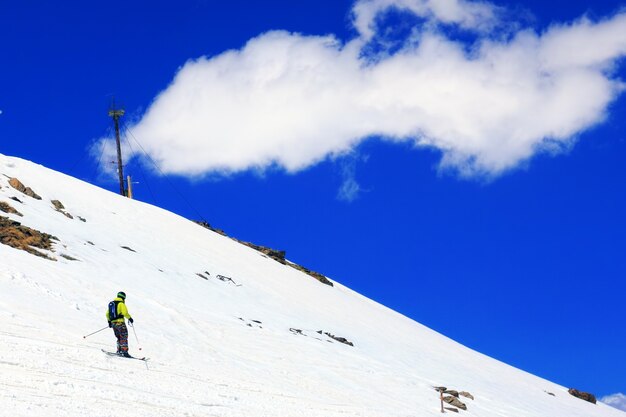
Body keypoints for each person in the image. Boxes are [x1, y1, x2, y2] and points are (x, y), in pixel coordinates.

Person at [105, 291, 134, 357]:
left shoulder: (112, 304)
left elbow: (107, 314)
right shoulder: (121, 304)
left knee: (118, 337)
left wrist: (109, 322)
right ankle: (124, 352)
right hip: (120, 323)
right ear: (123, 298)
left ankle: (119, 350)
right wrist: (130, 318)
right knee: (124, 336)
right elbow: (125, 313)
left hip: (113, 323)